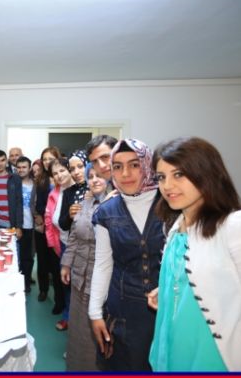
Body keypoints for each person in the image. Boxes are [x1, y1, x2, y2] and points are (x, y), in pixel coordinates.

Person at [147, 137, 241, 372]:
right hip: (172, 353)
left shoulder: (240, 224)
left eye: (179, 174)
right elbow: (201, 277)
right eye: (161, 177)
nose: (167, 185)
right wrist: (169, 290)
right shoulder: (175, 228)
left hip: (212, 359)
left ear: (205, 174)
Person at [88, 138, 164, 371]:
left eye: (134, 165)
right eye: (118, 166)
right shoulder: (106, 211)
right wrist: (95, 313)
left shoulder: (170, 204)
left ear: (148, 165)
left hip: (167, 309)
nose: (125, 173)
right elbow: (103, 265)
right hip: (123, 310)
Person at [61, 164, 108, 371]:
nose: (94, 180)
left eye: (100, 176)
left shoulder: (114, 204)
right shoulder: (84, 203)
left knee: (93, 333)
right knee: (78, 329)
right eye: (91, 176)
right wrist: (66, 264)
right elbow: (74, 237)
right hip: (79, 275)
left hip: (100, 280)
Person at [45, 158, 74, 330]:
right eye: (55, 173)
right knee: (66, 283)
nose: (59, 175)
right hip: (62, 244)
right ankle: (67, 315)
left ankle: (77, 320)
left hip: (80, 247)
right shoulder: (54, 193)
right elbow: (49, 220)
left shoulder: (80, 190)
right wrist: (54, 245)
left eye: (62, 170)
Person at [31, 146, 61, 303]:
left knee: (56, 263)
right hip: (42, 227)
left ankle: (58, 297)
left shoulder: (62, 177)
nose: (47, 161)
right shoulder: (39, 179)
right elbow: (35, 202)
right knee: (42, 261)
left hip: (58, 228)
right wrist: (38, 215)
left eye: (50, 158)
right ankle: (43, 290)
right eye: (44, 159)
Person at [0, 150, 23, 235]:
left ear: (7, 161)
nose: (0, 164)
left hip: (10, 225)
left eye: (2, 160)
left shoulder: (15, 178)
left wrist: (19, 226)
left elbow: (19, 203)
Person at [16, 156, 35, 293]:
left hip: (30, 225)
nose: (21, 170)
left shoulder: (35, 184)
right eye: (19, 167)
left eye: (24, 167)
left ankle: (26, 282)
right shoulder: (13, 183)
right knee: (16, 256)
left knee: (27, 257)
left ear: (29, 168)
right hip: (16, 225)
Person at [58, 150, 89, 232]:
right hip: (76, 238)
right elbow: (62, 225)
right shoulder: (68, 192)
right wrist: (69, 215)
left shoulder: (98, 187)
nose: (76, 172)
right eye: (72, 169)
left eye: (80, 166)